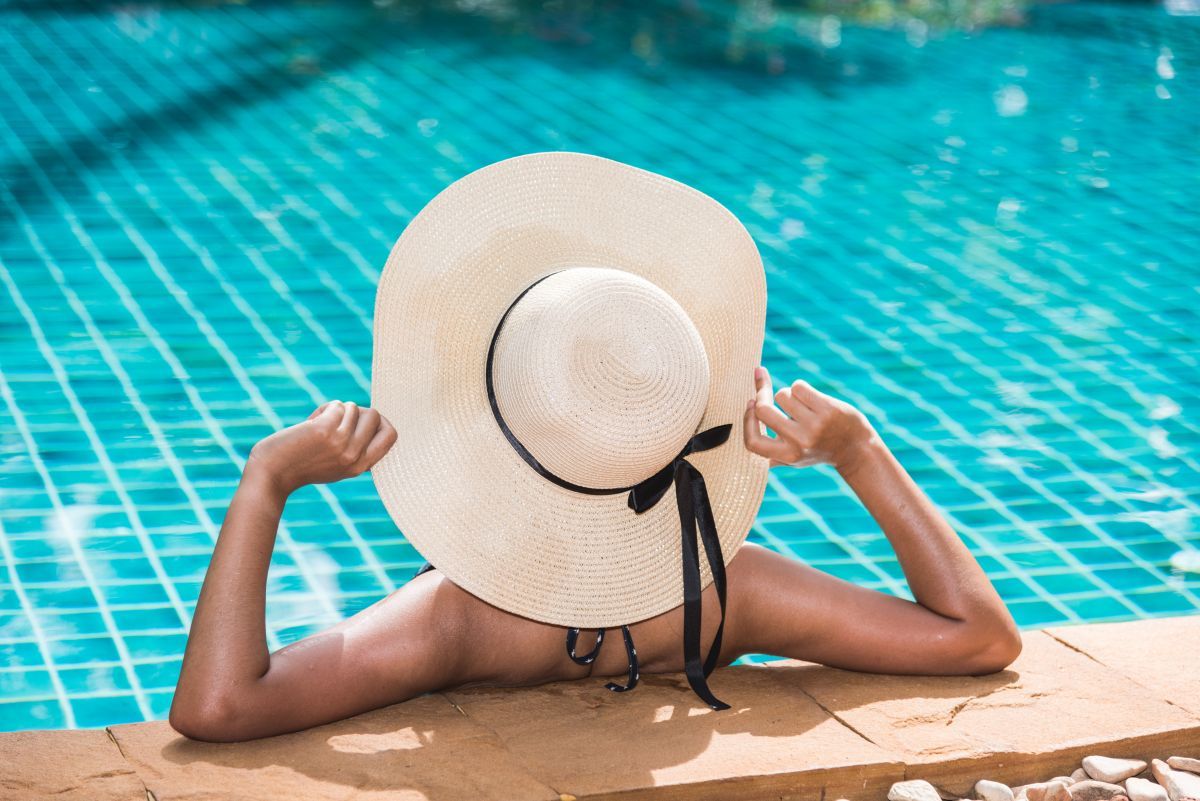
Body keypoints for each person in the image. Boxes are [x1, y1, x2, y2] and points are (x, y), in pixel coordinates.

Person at [168, 153, 1021, 743]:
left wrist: (266, 483)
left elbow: (219, 706)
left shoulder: (459, 620)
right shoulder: (731, 590)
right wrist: (860, 450)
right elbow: (979, 638)